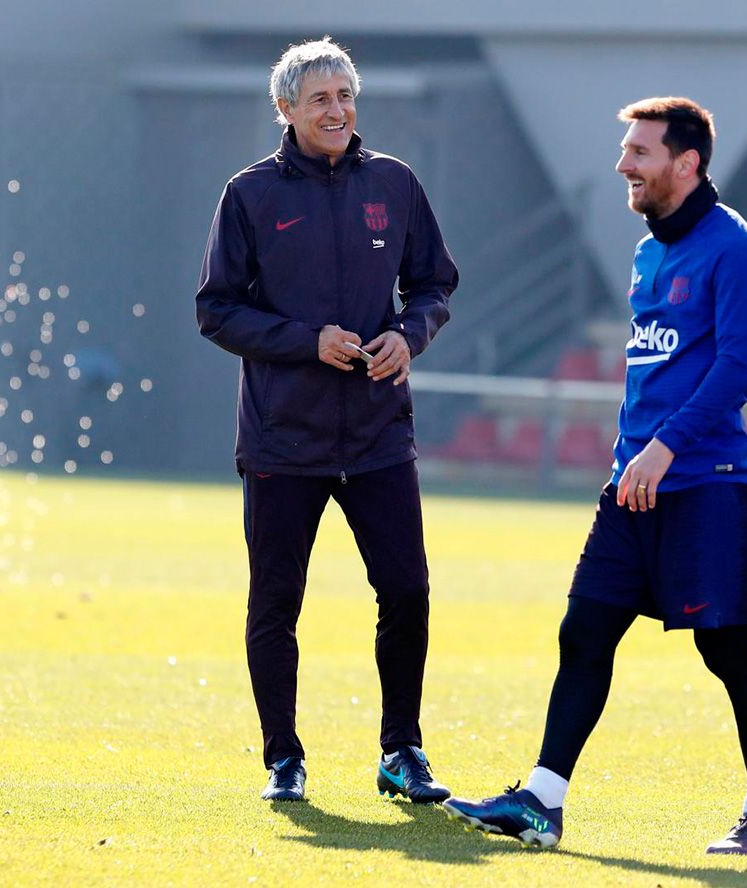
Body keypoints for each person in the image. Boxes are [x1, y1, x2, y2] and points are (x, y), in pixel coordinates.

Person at [442, 97, 747, 855]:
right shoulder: (646, 251)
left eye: (639, 152)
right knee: (585, 629)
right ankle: (543, 801)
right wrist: (638, 452)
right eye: (627, 150)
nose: (623, 165)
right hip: (634, 485)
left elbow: (737, 368)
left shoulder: (737, 249)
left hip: (711, 481)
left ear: (686, 163)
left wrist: (664, 446)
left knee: (726, 648)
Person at [195, 37, 458, 803]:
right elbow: (215, 311)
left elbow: (434, 283)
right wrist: (305, 342)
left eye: (345, 95)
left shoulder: (396, 184)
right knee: (277, 602)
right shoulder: (249, 196)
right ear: (286, 109)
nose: (337, 110)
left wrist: (407, 338)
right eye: (319, 99)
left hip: (379, 434)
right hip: (284, 437)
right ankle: (284, 759)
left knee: (406, 591)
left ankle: (401, 753)